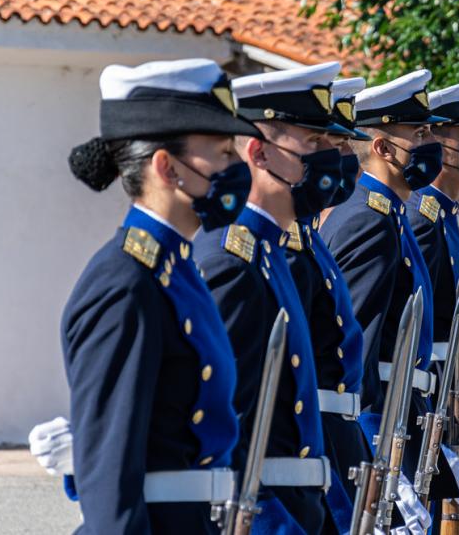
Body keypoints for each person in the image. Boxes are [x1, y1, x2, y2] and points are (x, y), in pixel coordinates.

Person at [60, 58, 261, 534]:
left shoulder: (175, 270)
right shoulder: (125, 283)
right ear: (167, 167)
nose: (237, 167)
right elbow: (111, 481)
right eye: (222, 152)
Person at [194, 62, 352, 534]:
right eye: (313, 144)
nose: (330, 157)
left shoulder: (273, 253)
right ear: (259, 154)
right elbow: (226, 427)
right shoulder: (234, 262)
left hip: (302, 505)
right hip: (267, 516)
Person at [319, 70, 459, 530]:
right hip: (381, 430)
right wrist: (381, 459)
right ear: (381, 148)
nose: (429, 141)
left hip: (404, 419)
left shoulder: (392, 216)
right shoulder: (367, 221)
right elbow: (353, 358)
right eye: (418, 133)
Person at [282, 76, 371, 530]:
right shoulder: (289, 248)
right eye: (325, 141)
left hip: (338, 440)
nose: (344, 158)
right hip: (314, 446)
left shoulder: (311, 241)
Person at [405, 81, 459, 513]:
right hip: (435, 391)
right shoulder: (422, 218)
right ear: (436, 144)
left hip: (452, 388)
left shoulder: (443, 216)